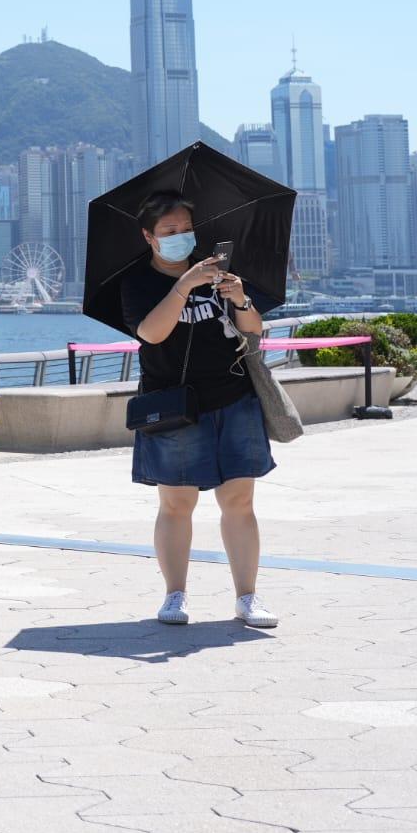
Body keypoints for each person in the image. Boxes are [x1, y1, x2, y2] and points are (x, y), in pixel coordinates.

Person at [122, 190, 278, 629]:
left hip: (233, 396)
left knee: (240, 501)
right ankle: (174, 595)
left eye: (186, 229)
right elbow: (151, 333)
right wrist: (183, 286)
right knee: (176, 503)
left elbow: (253, 330)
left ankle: (247, 597)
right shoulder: (137, 281)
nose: (180, 236)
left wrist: (241, 297)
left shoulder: (219, 271)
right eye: (169, 230)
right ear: (149, 237)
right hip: (172, 403)